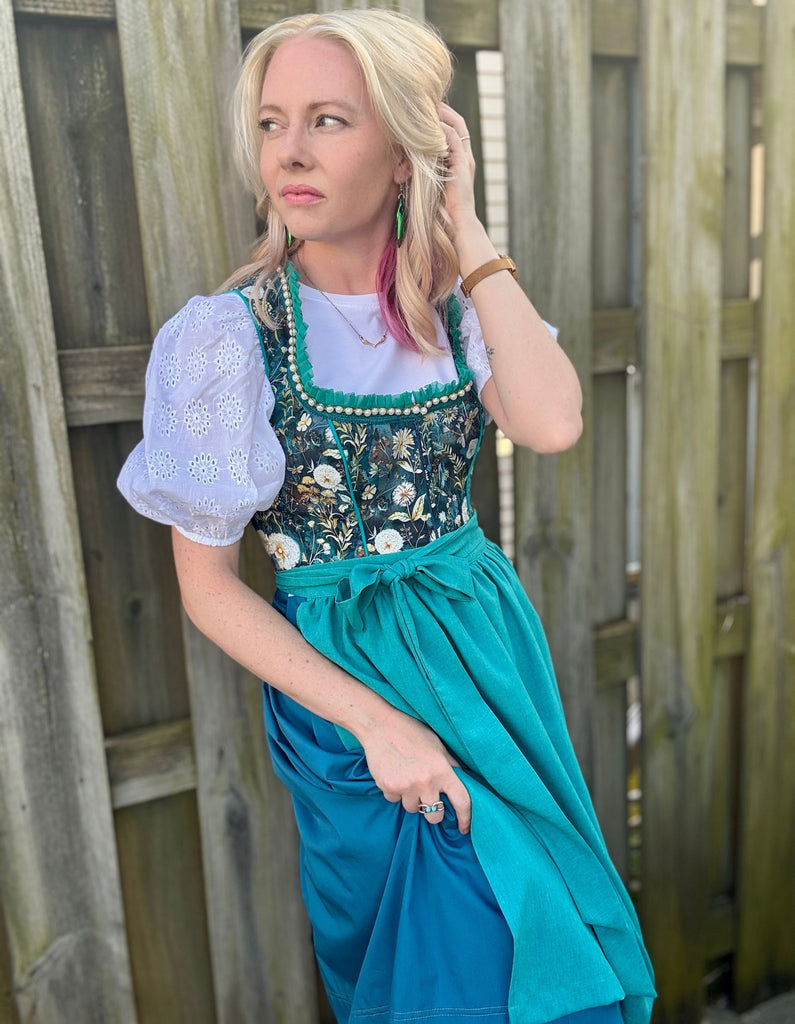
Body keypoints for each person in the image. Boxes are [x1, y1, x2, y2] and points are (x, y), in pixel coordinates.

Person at [118, 9, 655, 1024]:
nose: (290, 151)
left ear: (408, 149)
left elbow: (551, 422)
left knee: (540, 931)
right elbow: (207, 589)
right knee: (449, 967)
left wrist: (467, 230)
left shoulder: (460, 310)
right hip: (345, 683)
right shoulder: (227, 337)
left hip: (480, 651)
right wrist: (375, 723)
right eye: (272, 123)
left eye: (328, 119)